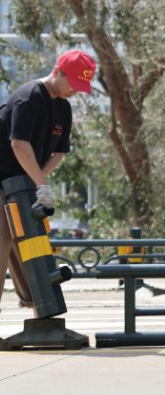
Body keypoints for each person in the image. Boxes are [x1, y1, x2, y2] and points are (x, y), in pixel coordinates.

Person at [0, 50, 96, 314]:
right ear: (57, 71)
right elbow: (19, 145)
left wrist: (37, 182)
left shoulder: (63, 108)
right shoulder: (28, 98)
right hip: (3, 182)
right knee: (2, 242)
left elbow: (60, 152)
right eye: (73, 84)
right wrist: (41, 184)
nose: (74, 91)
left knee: (30, 242)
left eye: (80, 87)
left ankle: (39, 311)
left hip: (23, 186)